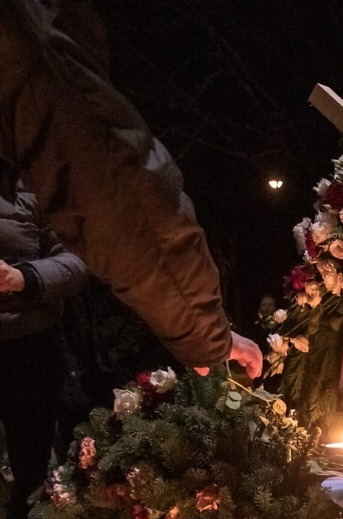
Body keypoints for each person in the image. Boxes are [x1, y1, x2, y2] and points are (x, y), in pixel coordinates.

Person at [0, 0, 261, 380]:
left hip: (32, 346)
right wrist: (204, 334)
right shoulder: (26, 34)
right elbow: (114, 192)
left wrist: (25, 278)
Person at [0, 159, 89, 519]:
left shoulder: (34, 184)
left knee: (31, 462)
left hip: (30, 346)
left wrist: (21, 278)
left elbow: (75, 260)